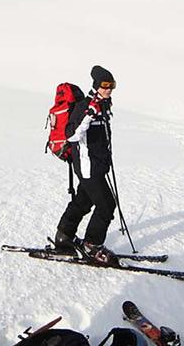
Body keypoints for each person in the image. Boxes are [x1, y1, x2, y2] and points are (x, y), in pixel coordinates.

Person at [52, 65, 119, 265]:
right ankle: (92, 245)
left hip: (96, 166)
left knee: (83, 202)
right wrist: (89, 115)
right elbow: (72, 135)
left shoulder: (103, 106)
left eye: (112, 85)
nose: (109, 89)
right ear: (97, 85)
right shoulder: (84, 107)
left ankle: (63, 236)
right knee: (106, 205)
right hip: (87, 167)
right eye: (105, 85)